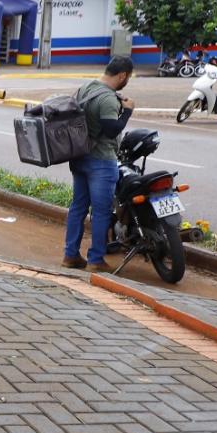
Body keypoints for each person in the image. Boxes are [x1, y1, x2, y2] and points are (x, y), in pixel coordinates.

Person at [63, 56, 135, 272]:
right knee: (102, 211)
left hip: (79, 156)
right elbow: (112, 129)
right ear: (122, 75)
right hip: (101, 161)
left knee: (78, 207)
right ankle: (95, 260)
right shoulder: (108, 100)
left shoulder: (85, 88)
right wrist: (128, 111)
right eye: (128, 78)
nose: (127, 81)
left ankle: (70, 255)